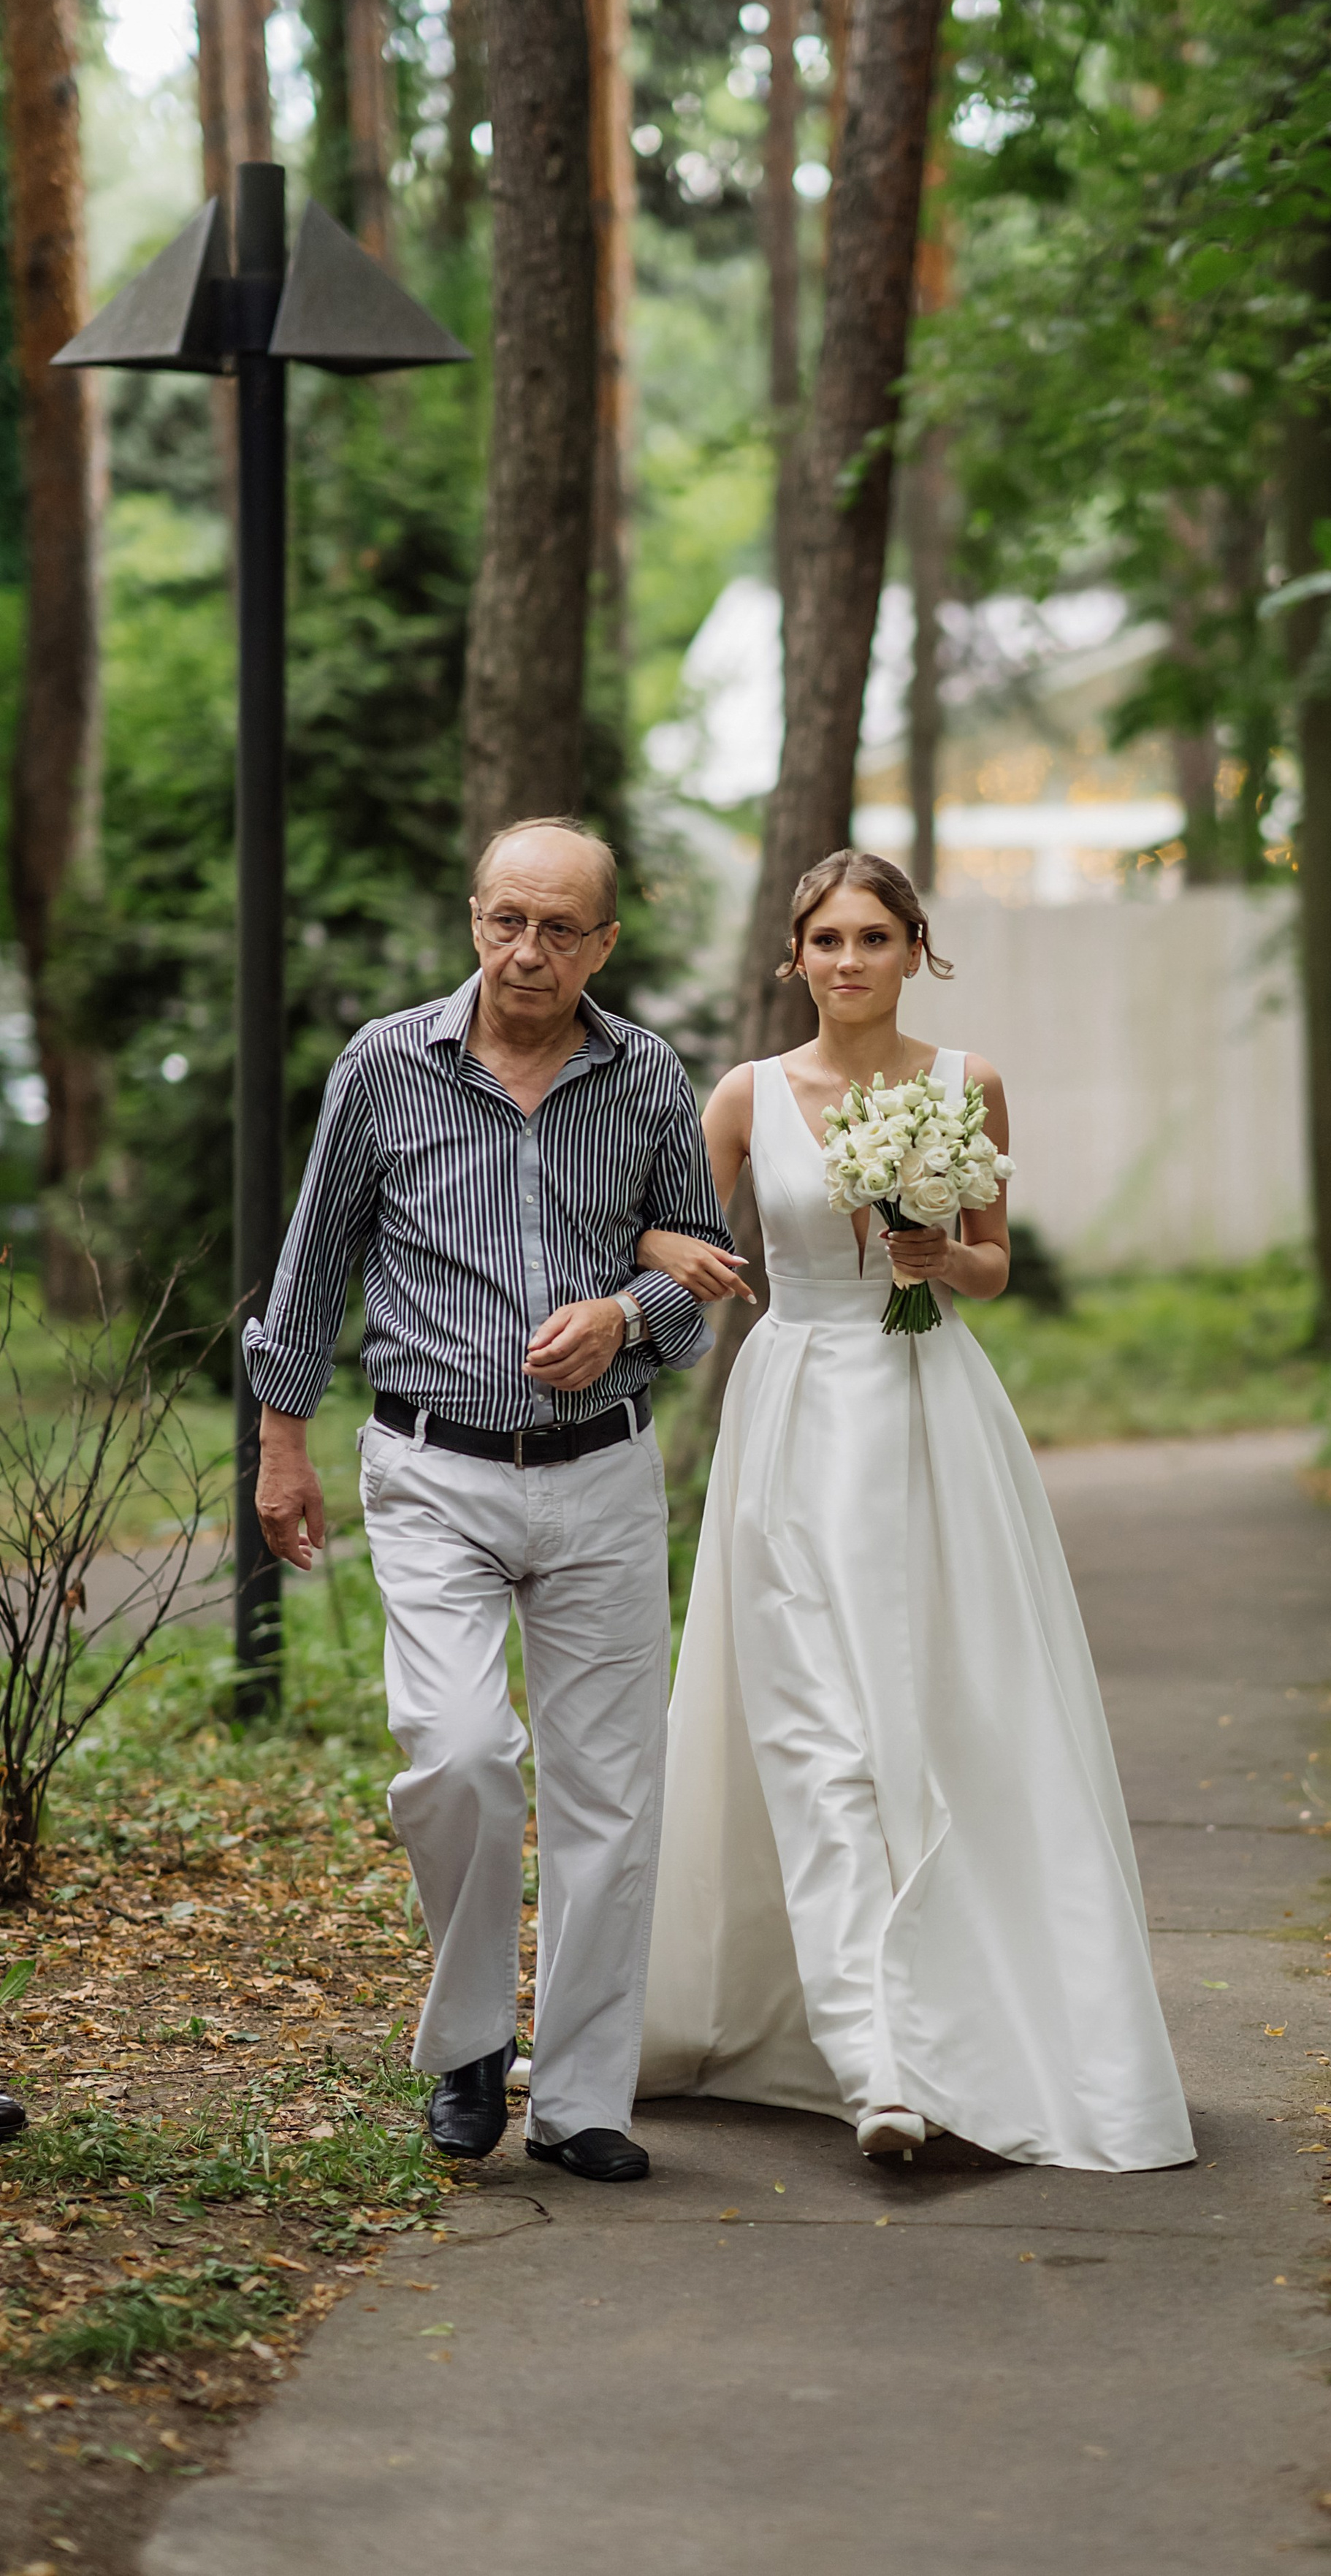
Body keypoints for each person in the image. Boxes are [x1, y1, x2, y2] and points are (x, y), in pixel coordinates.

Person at [634, 850, 1194, 2171]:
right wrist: (674, 1254)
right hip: (792, 1422)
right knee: (814, 1733)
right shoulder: (746, 1095)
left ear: (914, 948)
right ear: (795, 955)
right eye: (825, 939)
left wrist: (945, 1258)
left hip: (932, 1414)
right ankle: (872, 2062)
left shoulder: (967, 1085)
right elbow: (659, 1232)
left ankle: (973, 2018)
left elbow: (997, 1259)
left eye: (873, 937)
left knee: (950, 1715)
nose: (848, 961)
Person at [247, 817, 736, 2184]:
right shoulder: (385, 1063)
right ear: (475, 918)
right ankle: (468, 2043)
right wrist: (282, 1441)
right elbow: (313, 1260)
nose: (529, 951)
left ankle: (580, 2098)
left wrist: (625, 1314)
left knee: (609, 1796)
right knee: (460, 1754)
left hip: (601, 1475)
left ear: (605, 941)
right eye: (506, 920)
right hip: (431, 1468)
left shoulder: (646, 1078)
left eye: (560, 928)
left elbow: (699, 1276)